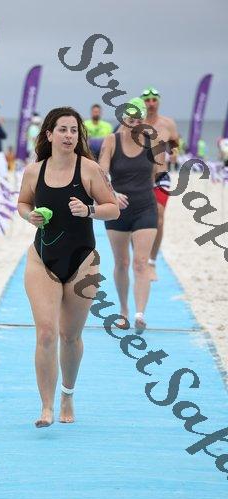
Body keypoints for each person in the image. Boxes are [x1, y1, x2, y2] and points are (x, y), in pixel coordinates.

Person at [17, 106, 119, 428]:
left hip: (82, 262)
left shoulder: (89, 169)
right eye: (62, 129)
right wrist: (29, 216)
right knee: (47, 333)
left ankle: (67, 394)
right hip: (42, 260)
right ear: (49, 134)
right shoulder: (34, 171)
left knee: (70, 336)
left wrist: (89, 210)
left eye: (74, 130)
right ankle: (46, 407)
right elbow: (23, 203)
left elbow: (113, 209)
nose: (69, 135)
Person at [99, 97, 157, 334]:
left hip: (145, 208)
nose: (134, 122)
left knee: (141, 262)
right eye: (130, 118)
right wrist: (112, 194)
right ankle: (123, 311)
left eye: (138, 118)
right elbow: (101, 173)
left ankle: (139, 314)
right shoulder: (111, 140)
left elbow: (156, 174)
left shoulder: (151, 140)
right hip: (118, 210)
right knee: (122, 263)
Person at [140, 87, 179, 281]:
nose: (151, 103)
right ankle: (141, 258)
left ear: (158, 101)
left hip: (161, 176)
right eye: (147, 100)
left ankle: (152, 262)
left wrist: (174, 152)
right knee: (139, 221)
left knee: (159, 219)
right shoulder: (136, 124)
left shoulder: (168, 124)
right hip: (140, 179)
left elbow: (175, 144)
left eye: (154, 99)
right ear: (143, 102)